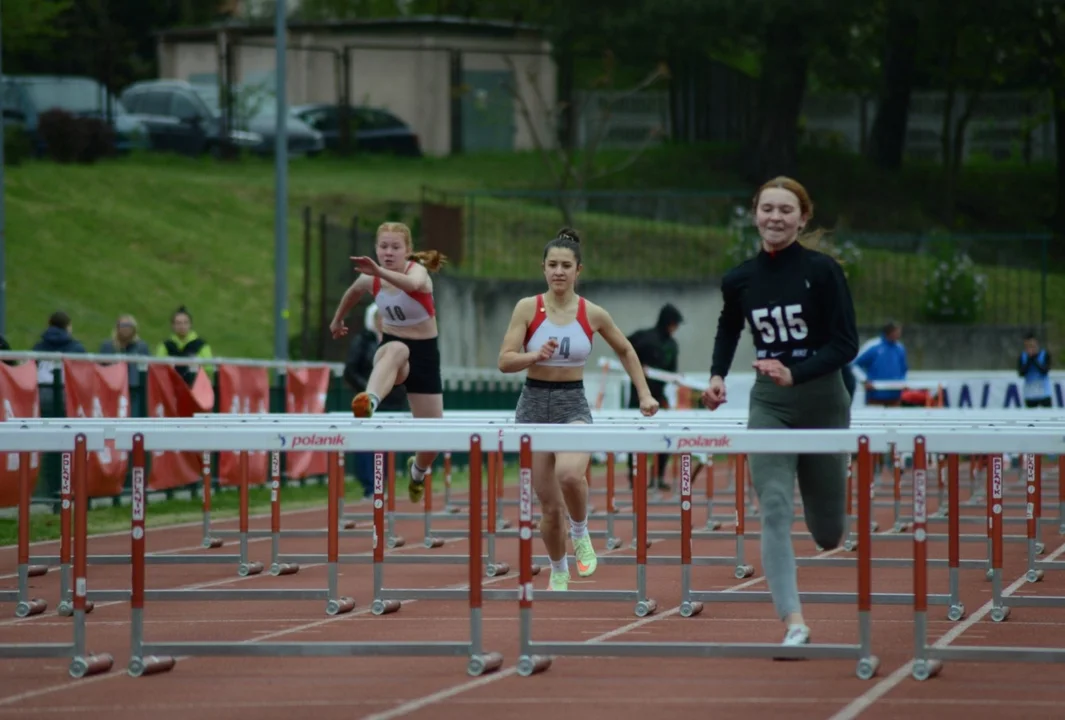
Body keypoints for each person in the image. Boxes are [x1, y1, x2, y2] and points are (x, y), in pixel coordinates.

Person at [701, 177, 859, 649]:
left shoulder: (823, 271)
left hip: (823, 401)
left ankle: (832, 500)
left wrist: (798, 371)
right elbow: (729, 327)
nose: (775, 217)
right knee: (773, 507)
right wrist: (717, 375)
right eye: (767, 208)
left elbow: (845, 344)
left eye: (785, 210)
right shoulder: (739, 278)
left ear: (803, 217)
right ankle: (794, 621)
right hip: (769, 404)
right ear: (755, 213)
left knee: (828, 533)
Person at [497, 227, 660, 592]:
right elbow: (505, 362)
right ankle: (558, 567)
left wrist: (645, 394)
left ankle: (582, 532)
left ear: (577, 270)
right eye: (552, 265)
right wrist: (534, 355)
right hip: (534, 405)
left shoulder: (593, 313)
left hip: (572, 402)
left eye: (565, 265)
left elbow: (626, 350)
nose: (558, 271)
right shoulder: (527, 308)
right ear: (543, 268)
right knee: (549, 507)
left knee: (571, 475)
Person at [330, 221, 446, 504]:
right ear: (376, 249)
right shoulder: (370, 278)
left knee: (434, 439)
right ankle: (368, 401)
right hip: (393, 350)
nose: (388, 252)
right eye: (383, 247)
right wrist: (338, 319)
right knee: (395, 349)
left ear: (408, 250)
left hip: (425, 355)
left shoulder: (416, 270)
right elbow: (353, 293)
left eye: (395, 247)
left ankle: (417, 471)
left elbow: (415, 285)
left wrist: (378, 271)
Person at [626, 303, 683, 491]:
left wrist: (673, 379)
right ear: (668, 322)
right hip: (639, 394)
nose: (675, 328)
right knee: (634, 435)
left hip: (659, 395)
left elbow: (672, 370)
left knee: (665, 434)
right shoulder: (642, 337)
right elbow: (623, 349)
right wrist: (637, 367)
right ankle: (634, 475)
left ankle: (658, 475)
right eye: (674, 323)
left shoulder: (673, 345)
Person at [852, 322, 907, 406]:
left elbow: (903, 369)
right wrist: (864, 380)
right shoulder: (873, 346)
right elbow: (854, 365)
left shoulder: (900, 348)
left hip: (895, 396)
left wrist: (903, 382)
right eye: (897, 331)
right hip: (875, 395)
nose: (899, 334)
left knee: (895, 418)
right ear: (890, 332)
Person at [156, 306, 213, 386]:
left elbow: (209, 368)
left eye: (185, 322)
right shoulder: (165, 345)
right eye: (178, 323)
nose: (182, 326)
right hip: (171, 388)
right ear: (173, 325)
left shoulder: (201, 345)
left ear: (190, 324)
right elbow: (158, 369)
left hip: (195, 388)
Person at [1018, 332, 1052, 408]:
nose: (1030, 348)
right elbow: (1021, 373)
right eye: (1027, 346)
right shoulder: (1023, 356)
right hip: (1030, 394)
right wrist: (1030, 359)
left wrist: (1034, 359)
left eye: (1032, 345)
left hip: (1044, 393)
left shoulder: (1044, 354)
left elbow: (1045, 371)